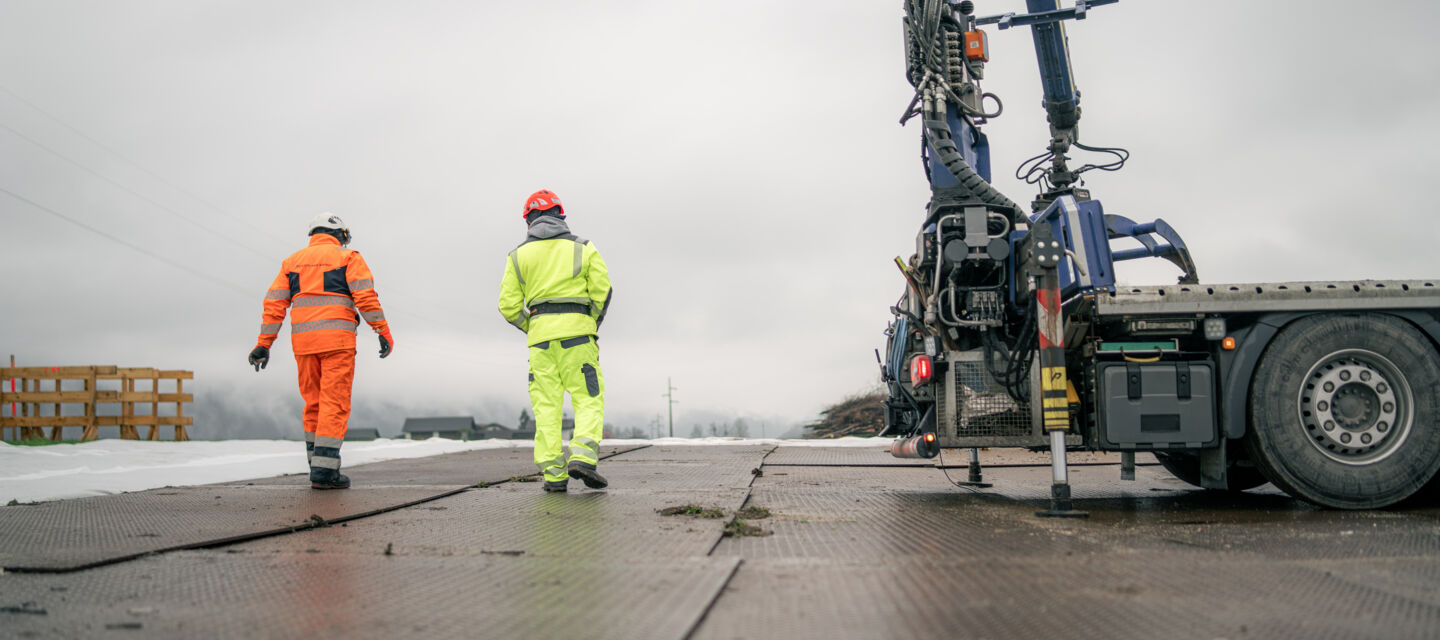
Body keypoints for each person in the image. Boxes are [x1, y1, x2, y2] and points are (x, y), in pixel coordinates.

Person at [248, 213, 393, 490]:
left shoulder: (291, 263)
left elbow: (274, 306)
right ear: (340, 234)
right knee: (334, 404)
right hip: (337, 344)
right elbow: (365, 297)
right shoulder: (348, 258)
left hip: (303, 345)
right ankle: (325, 473)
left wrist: (264, 344)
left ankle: (317, 465)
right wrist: (382, 331)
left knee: (313, 403)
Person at [498, 189, 613, 493]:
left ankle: (553, 475)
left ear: (528, 220)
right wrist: (591, 322)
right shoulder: (584, 248)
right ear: (561, 215)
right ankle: (583, 458)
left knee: (546, 407)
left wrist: (533, 326)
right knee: (587, 398)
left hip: (541, 342)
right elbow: (603, 291)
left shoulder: (517, 256)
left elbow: (508, 307)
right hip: (578, 336)